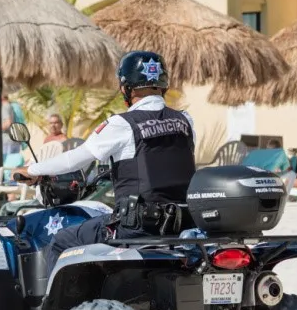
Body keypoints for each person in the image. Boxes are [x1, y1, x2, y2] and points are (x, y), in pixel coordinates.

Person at [19, 50, 196, 274]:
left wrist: (32, 170)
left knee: (63, 240)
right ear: (163, 83)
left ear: (126, 88)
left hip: (137, 226)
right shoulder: (184, 120)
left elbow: (76, 158)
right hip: (182, 224)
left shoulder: (122, 124)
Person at [1, 94, 24, 159]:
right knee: (13, 164)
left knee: (6, 165)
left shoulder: (4, 106)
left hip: (7, 141)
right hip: (15, 140)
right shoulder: (13, 106)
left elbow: (8, 123)